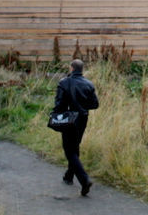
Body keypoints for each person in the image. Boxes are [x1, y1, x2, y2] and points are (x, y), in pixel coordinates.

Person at [53, 59, 99, 196]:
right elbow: (95, 104)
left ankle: (84, 180)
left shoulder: (64, 82)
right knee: (75, 146)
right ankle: (69, 176)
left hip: (69, 118)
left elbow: (59, 104)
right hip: (82, 119)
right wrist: (82, 106)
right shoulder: (89, 84)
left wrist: (56, 114)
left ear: (72, 68)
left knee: (69, 150)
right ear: (81, 69)